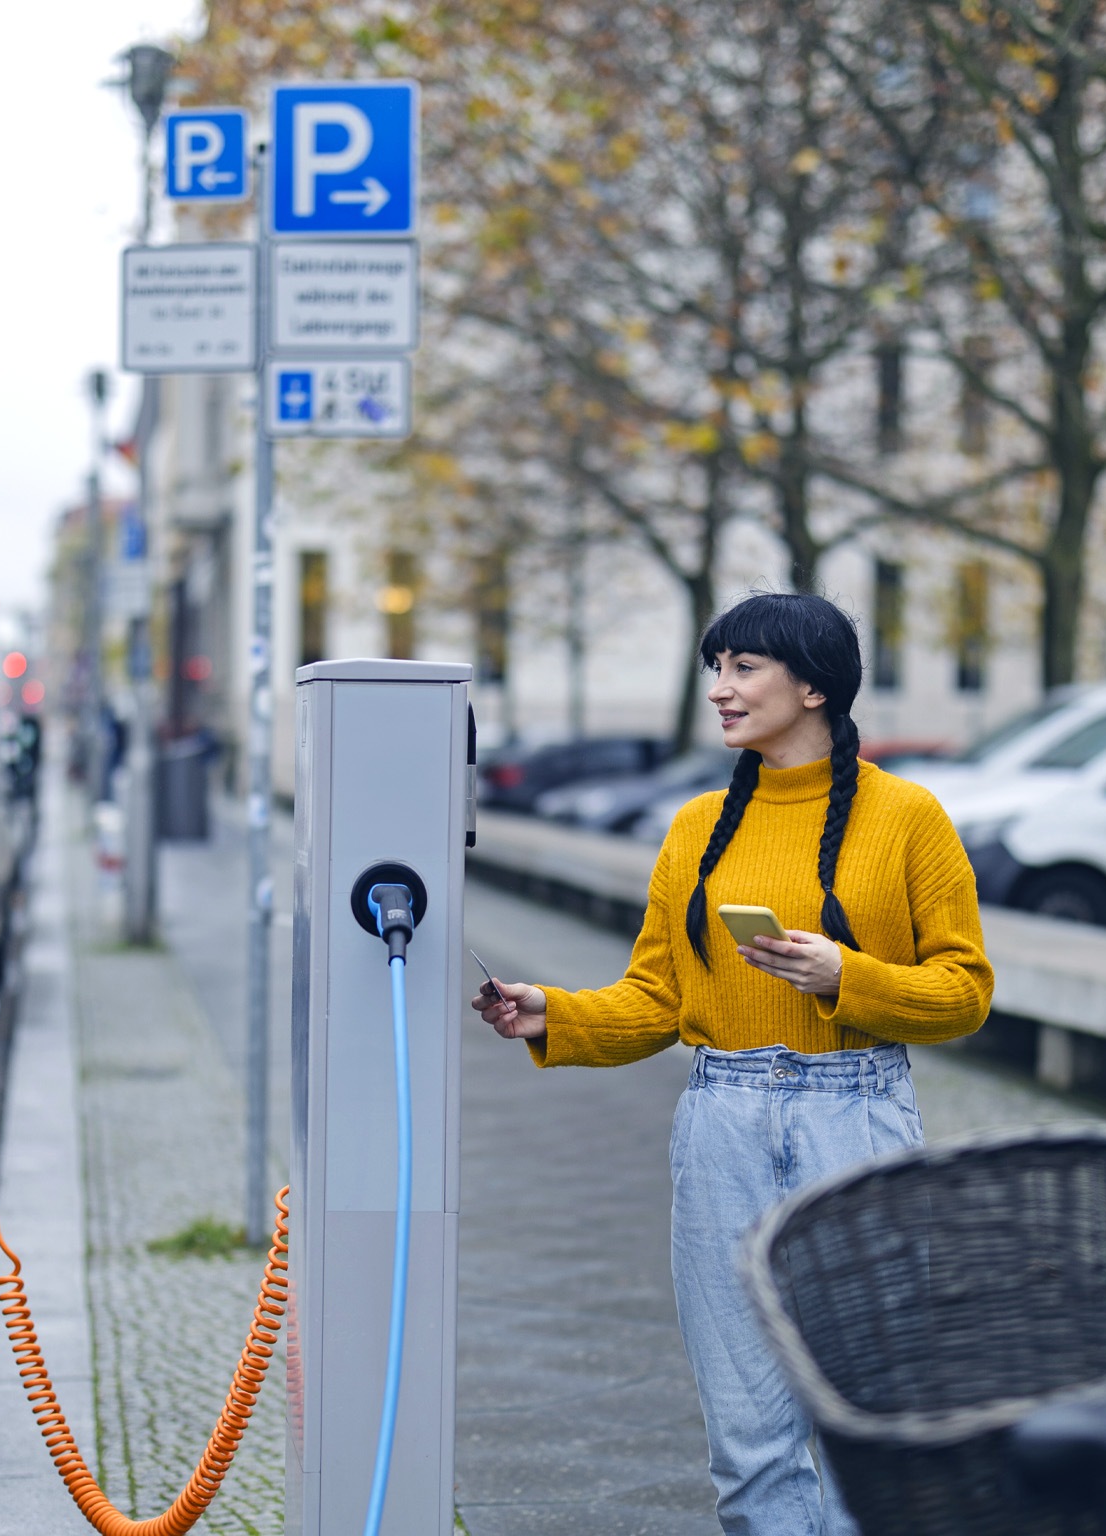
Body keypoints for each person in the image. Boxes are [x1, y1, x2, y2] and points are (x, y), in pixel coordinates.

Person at [472, 591, 993, 1536]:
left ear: (814, 686)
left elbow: (965, 992)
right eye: (717, 667)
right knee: (747, 1438)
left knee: (861, 1419)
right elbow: (659, 1002)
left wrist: (848, 975)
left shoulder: (909, 818)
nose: (720, 688)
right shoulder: (695, 828)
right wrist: (552, 1013)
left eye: (744, 667)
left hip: (857, 1119)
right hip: (723, 1124)